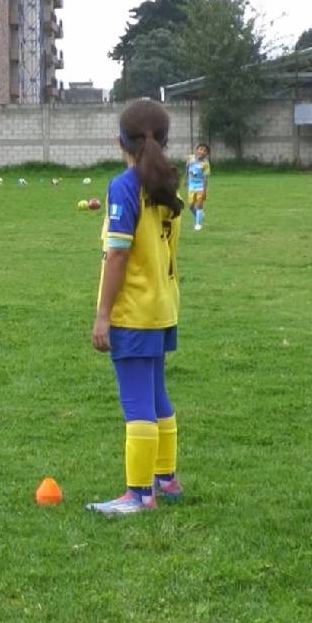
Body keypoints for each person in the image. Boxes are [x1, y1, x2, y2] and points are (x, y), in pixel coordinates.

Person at [87, 99, 184, 516]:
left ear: (120, 142)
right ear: (165, 140)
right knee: (157, 393)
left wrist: (103, 315)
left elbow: (118, 255)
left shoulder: (126, 186)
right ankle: (167, 479)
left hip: (134, 312)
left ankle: (140, 495)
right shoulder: (168, 183)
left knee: (137, 402)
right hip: (162, 307)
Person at [186, 142, 211, 231]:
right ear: (196, 150)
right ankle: (200, 216)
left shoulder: (206, 164)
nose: (202, 151)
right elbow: (187, 169)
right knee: (190, 205)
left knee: (199, 205)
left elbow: (205, 178)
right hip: (191, 186)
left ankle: (198, 224)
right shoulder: (190, 158)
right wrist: (185, 180)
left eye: (205, 151)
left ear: (207, 154)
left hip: (201, 186)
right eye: (200, 149)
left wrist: (204, 190)